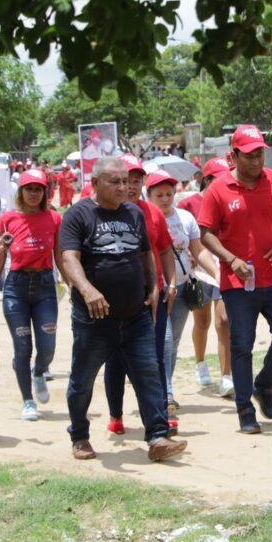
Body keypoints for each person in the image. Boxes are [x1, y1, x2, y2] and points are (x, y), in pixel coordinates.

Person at [58, 157, 187, 462]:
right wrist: (87, 289)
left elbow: (145, 253)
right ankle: (79, 435)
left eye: (126, 181)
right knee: (83, 379)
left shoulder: (134, 213)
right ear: (95, 183)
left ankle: (157, 436)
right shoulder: (78, 215)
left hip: (136, 315)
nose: (123, 187)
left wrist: (154, 286)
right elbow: (69, 258)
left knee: (148, 373)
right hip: (94, 319)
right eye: (114, 182)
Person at [198, 125, 272, 434]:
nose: (256, 161)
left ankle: (264, 384)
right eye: (249, 156)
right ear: (234, 155)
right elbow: (206, 233)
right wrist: (231, 259)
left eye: (260, 154)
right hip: (238, 283)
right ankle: (245, 409)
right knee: (241, 345)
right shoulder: (219, 189)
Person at [102, 155, 176, 434]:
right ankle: (116, 414)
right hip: (114, 299)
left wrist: (171, 283)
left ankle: (159, 415)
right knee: (116, 359)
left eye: (136, 180)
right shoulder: (101, 213)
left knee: (154, 357)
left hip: (151, 297)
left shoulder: (152, 213)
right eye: (124, 180)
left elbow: (165, 250)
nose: (130, 186)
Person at [146, 169, 221, 412]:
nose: (165, 199)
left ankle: (164, 388)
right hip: (155, 290)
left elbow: (198, 249)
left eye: (169, 194)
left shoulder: (185, 218)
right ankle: (165, 394)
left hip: (180, 288)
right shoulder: (142, 217)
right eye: (159, 195)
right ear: (149, 196)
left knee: (173, 343)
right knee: (165, 340)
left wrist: (216, 273)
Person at [0, 169, 62, 422]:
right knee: (22, 346)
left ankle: (39, 372)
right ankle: (28, 401)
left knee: (47, 346)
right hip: (16, 289)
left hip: (45, 287)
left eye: (38, 189)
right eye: (29, 189)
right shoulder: (7, 219)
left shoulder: (54, 218)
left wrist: (74, 285)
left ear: (45, 192)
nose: (33, 193)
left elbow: (60, 256)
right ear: (20, 191)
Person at [176, 157, 233, 396]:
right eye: (220, 177)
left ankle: (227, 376)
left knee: (224, 321)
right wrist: (189, 254)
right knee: (202, 322)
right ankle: (200, 363)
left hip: (223, 268)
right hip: (198, 272)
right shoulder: (188, 204)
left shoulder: (230, 200)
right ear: (207, 180)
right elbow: (181, 234)